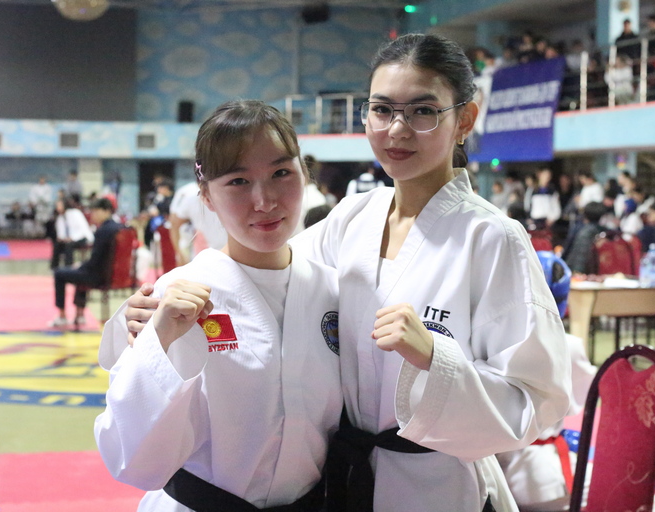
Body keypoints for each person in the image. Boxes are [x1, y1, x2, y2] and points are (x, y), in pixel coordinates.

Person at [109, 34, 572, 511]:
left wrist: (437, 359)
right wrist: (153, 308)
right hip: (343, 481)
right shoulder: (354, 218)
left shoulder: (492, 238)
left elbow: (536, 401)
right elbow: (262, 274)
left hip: (436, 485)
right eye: (382, 110)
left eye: (423, 111)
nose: (397, 129)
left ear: (465, 120)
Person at [94, 101, 342, 511]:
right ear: (206, 196)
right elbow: (129, 460)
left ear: (304, 174)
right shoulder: (174, 298)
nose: (264, 200)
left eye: (281, 173)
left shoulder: (333, 292)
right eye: (238, 181)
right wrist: (158, 342)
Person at [496, 251, 596, 512]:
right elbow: (586, 395)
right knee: (631, 493)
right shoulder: (568, 345)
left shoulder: (490, 341)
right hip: (541, 475)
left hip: (491, 472)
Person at [50, 197, 120, 328]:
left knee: (60, 273)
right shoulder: (121, 228)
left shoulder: (103, 231)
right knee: (81, 273)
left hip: (100, 276)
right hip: (117, 275)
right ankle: (80, 315)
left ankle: (62, 316)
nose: (92, 215)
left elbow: (94, 262)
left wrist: (80, 266)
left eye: (95, 211)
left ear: (106, 211)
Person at [168, 181, 228, 265]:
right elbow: (174, 223)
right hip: (210, 254)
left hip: (220, 253)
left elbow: (174, 223)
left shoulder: (190, 197)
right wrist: (179, 253)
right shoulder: (191, 198)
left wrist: (179, 253)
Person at [51, 197, 95, 270]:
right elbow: (60, 233)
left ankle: (68, 267)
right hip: (68, 239)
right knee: (57, 244)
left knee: (69, 245)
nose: (58, 207)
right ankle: (54, 267)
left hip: (81, 237)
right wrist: (61, 238)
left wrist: (72, 238)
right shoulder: (60, 217)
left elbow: (83, 229)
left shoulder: (75, 213)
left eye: (59, 205)